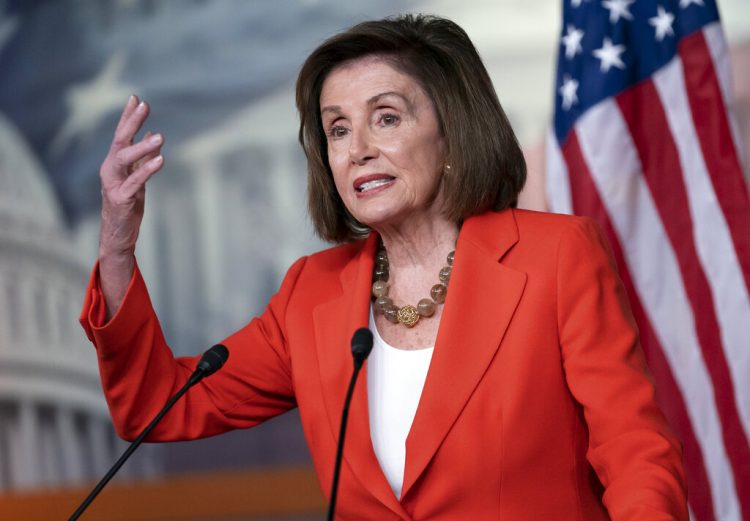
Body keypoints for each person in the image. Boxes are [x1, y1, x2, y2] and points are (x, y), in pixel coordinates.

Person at [80, 14, 688, 520]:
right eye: (337, 129)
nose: (358, 147)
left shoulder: (555, 257)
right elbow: (156, 404)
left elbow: (636, 452)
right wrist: (116, 244)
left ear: (451, 134)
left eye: (387, 117)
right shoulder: (308, 296)